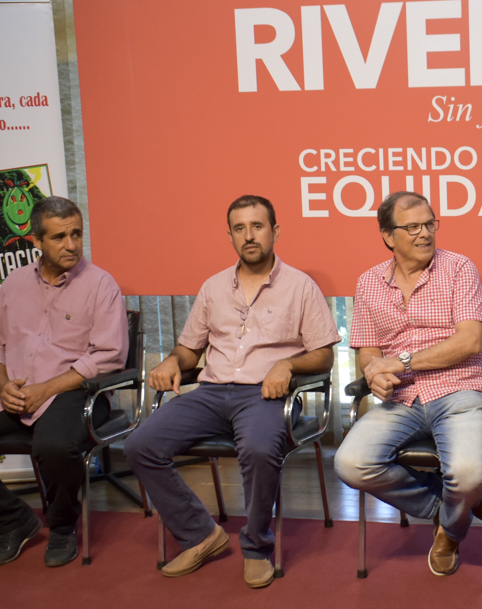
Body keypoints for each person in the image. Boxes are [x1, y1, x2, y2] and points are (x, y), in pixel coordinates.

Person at [125, 195, 339, 588]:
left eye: (257, 226)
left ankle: (256, 547)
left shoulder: (300, 287)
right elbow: (189, 349)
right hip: (211, 392)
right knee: (140, 445)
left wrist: (287, 365)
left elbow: (324, 355)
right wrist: (172, 361)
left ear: (275, 231)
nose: (249, 235)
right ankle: (200, 534)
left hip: (265, 396)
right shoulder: (213, 287)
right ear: (230, 236)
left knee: (258, 449)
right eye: (239, 228)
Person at [0, 196, 128, 568]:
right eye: (59, 237)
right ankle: (14, 520)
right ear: (36, 240)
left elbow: (109, 356)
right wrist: (2, 387)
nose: (71, 244)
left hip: (75, 392)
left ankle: (63, 527)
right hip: (15, 392)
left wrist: (45, 389)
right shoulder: (15, 283)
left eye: (76, 234)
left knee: (53, 445)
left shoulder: (101, 285)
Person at [333, 191, 482, 577]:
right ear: (388, 236)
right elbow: (368, 352)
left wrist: (401, 362)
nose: (424, 233)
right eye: (412, 227)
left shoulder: (459, 268)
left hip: (459, 389)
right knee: (350, 464)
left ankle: (451, 529)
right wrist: (374, 373)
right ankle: (450, 509)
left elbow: (469, 342)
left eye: (429, 224)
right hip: (402, 399)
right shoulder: (369, 282)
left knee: (470, 475)